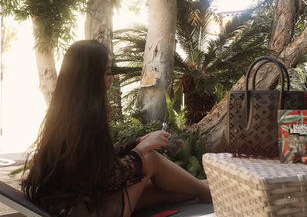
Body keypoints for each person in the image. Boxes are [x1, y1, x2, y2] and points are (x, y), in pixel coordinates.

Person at [21, 40, 212, 217]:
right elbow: (108, 177)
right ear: (90, 77)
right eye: (107, 72)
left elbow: (95, 162)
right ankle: (208, 192)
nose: (113, 77)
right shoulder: (87, 117)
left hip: (78, 204)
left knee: (162, 191)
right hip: (86, 210)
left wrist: (137, 142)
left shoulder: (67, 113)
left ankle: (206, 188)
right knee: (151, 160)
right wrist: (142, 149)